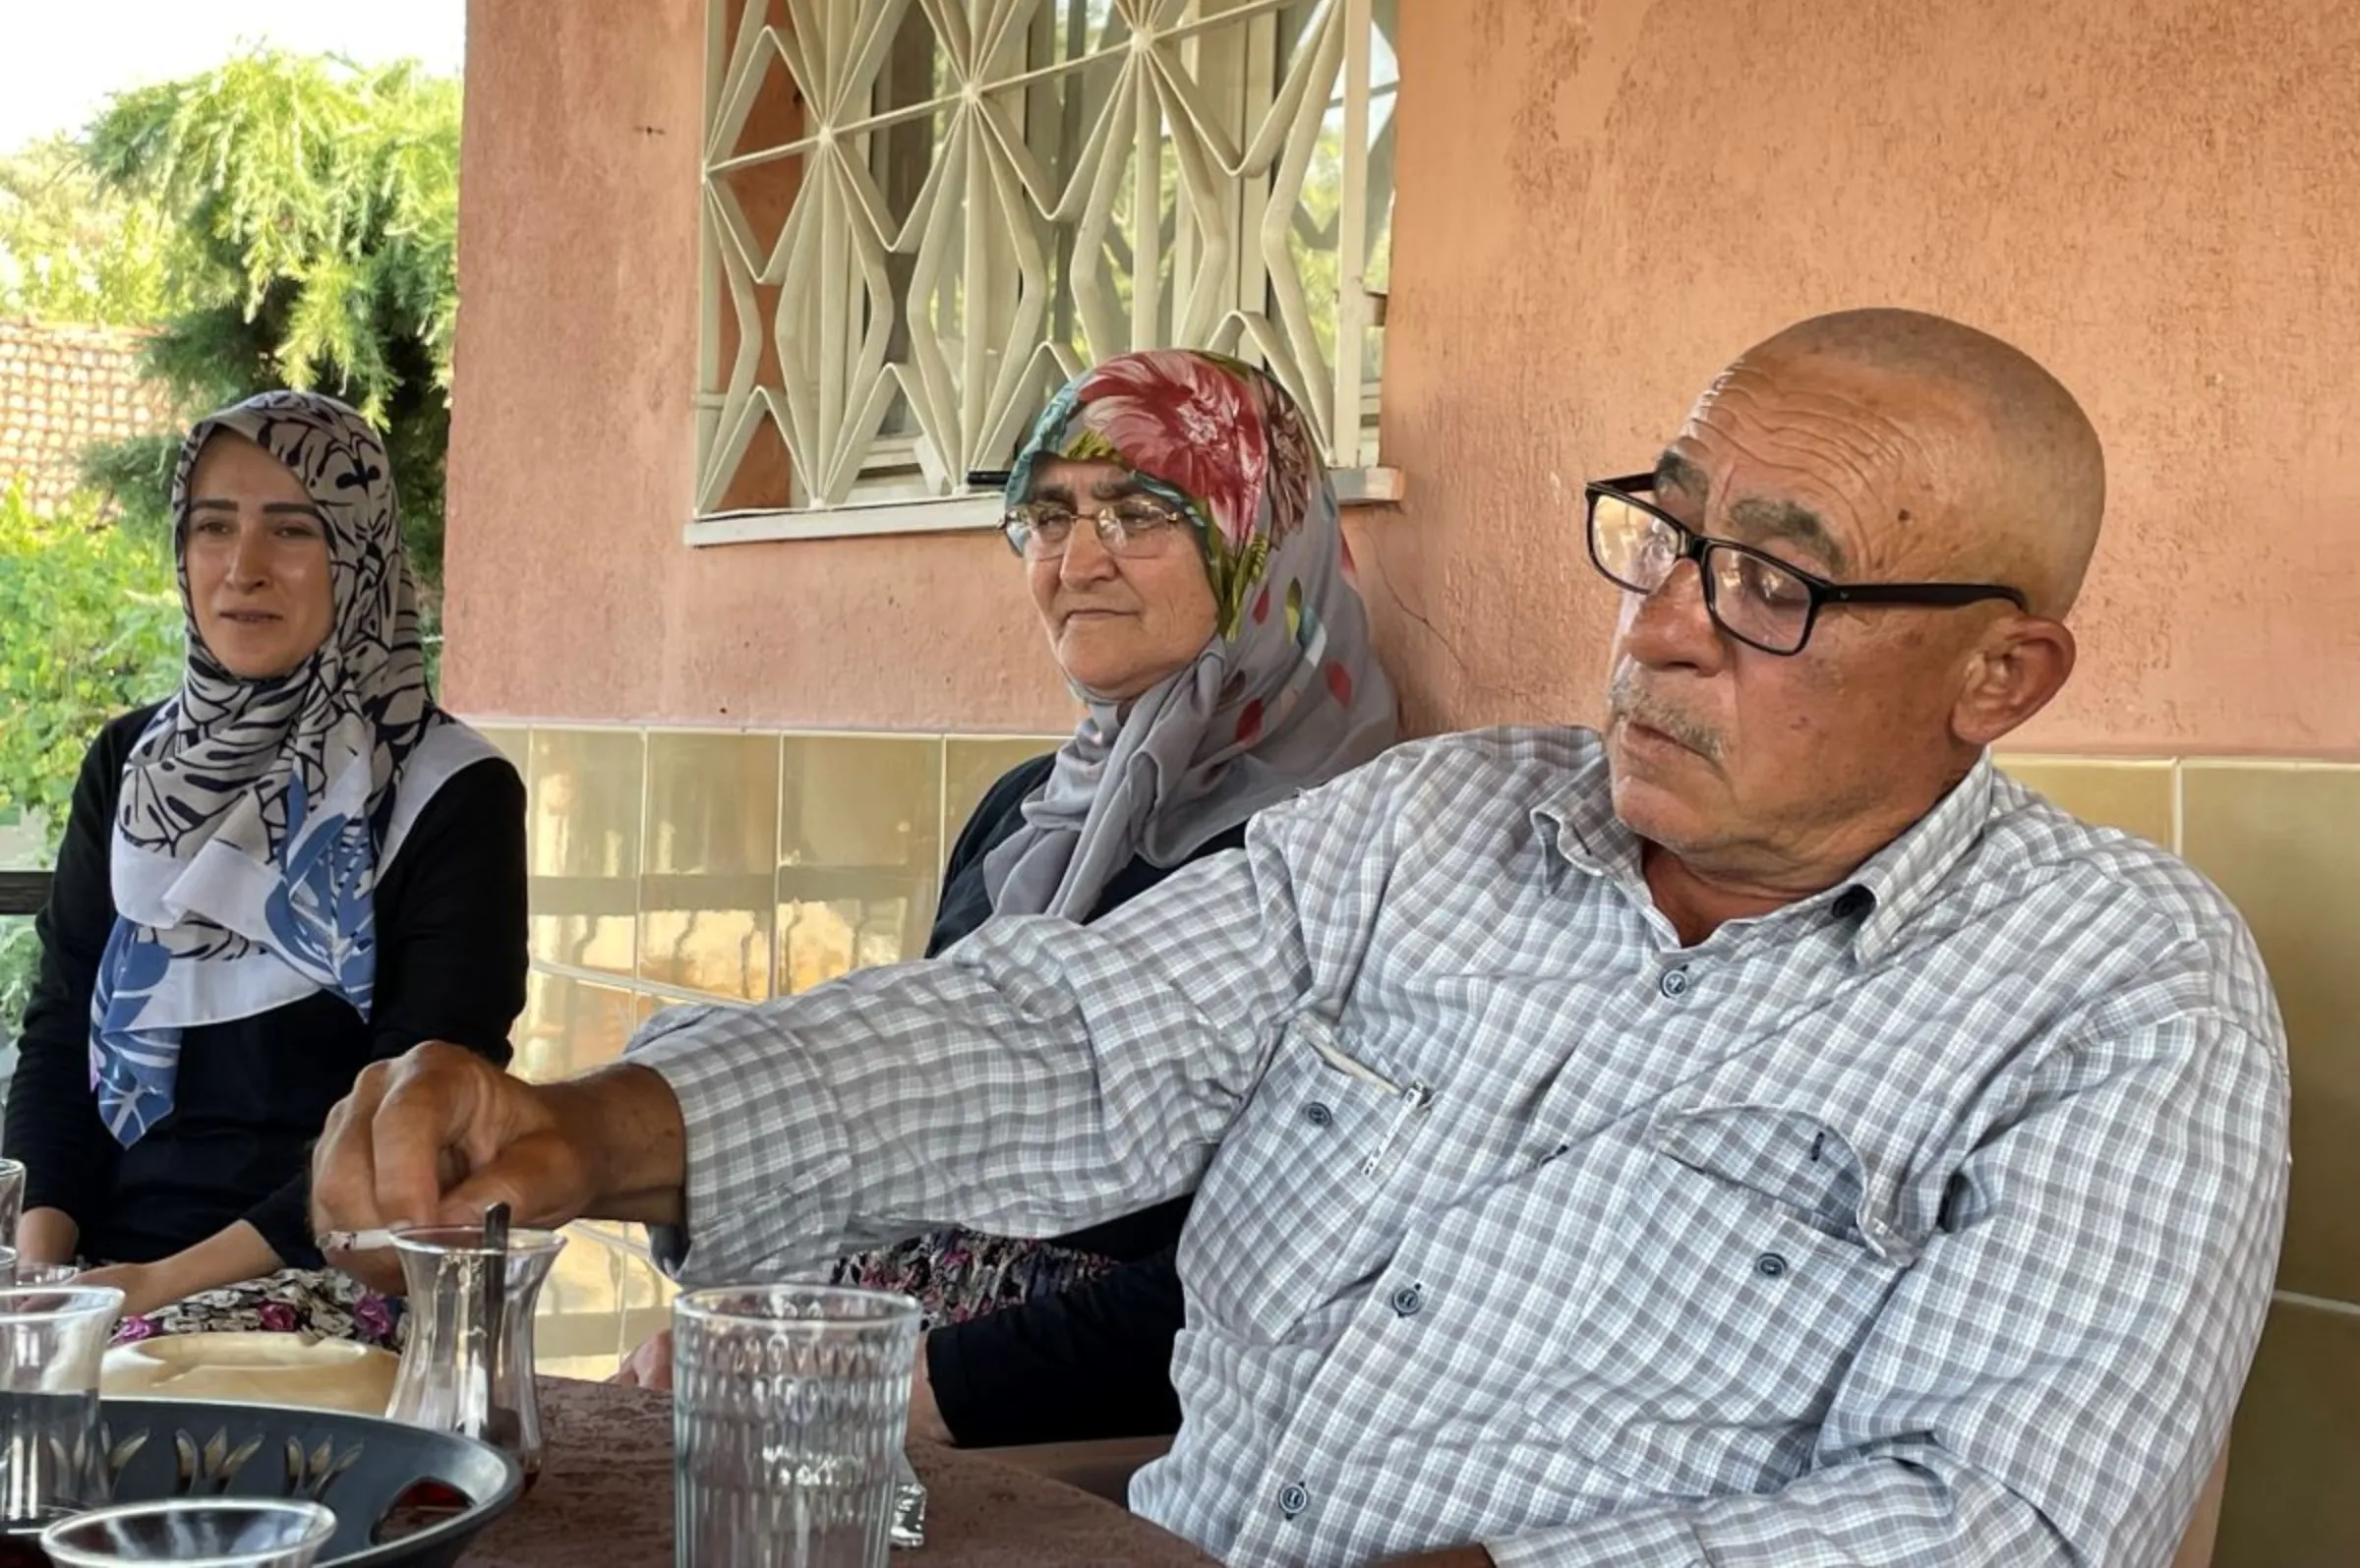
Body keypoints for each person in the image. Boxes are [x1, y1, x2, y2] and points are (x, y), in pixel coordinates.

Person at [314, 311, 2288, 1568]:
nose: (1667, 620)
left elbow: (2001, 1522)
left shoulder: (2118, 987)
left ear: (2000, 674)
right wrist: (589, 1130)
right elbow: (1069, 1038)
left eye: (1772, 578)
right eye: (1666, 533)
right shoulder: (1441, 820)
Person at [615, 349, 1399, 1451]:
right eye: (1047, 514)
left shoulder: (1344, 850)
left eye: (1137, 512)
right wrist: (751, 1325)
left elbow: (1264, 1271)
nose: (1076, 560)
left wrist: (884, 1384)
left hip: (1093, 1422)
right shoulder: (1030, 812)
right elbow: (908, 1127)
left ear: (1264, 538)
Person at [6, 391, 527, 1344]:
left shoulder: (448, 789)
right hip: (109, 1268)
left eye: (292, 530)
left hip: (326, 1274)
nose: (243, 569)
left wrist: (157, 1286)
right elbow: (59, 1037)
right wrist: (41, 1275)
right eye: (214, 528)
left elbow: (414, 1114)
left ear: (360, 554)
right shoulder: (131, 767)